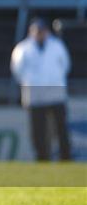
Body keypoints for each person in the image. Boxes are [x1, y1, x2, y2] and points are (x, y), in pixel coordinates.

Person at [10, 17, 71, 161]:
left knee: (60, 127)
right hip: (34, 92)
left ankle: (65, 156)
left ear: (46, 31)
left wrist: (54, 79)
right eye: (36, 30)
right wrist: (30, 81)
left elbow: (65, 65)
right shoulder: (23, 48)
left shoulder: (56, 45)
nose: (39, 33)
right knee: (38, 129)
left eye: (41, 30)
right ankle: (42, 157)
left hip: (55, 90)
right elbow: (17, 69)